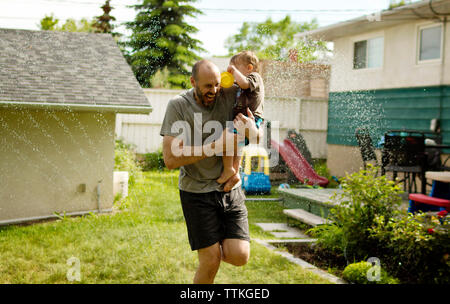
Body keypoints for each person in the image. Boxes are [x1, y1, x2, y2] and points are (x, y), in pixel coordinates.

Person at [160, 59, 259, 284]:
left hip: (229, 188)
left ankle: (212, 247)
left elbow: (255, 121)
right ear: (193, 81)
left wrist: (253, 131)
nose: (214, 91)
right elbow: (170, 159)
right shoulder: (178, 105)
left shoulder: (229, 93)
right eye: (207, 86)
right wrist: (215, 146)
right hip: (196, 192)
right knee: (211, 260)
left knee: (240, 255)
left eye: (216, 84)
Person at [216, 50, 265, 186]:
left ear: (249, 68)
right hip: (242, 119)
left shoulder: (255, 77)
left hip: (251, 118)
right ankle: (235, 174)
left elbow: (243, 83)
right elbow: (230, 87)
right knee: (237, 145)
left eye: (235, 68)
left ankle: (228, 169)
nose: (233, 73)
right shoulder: (240, 82)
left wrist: (233, 70)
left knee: (228, 140)